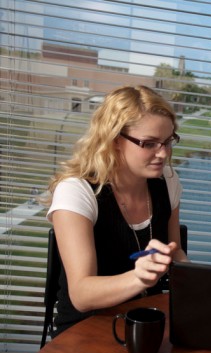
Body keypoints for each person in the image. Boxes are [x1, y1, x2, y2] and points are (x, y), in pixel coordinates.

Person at [45, 85, 189, 336]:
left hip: (146, 321)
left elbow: (176, 254)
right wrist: (139, 278)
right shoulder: (76, 191)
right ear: (114, 141)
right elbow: (81, 294)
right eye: (149, 143)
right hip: (85, 330)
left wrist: (207, 284)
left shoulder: (168, 181)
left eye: (167, 141)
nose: (163, 154)